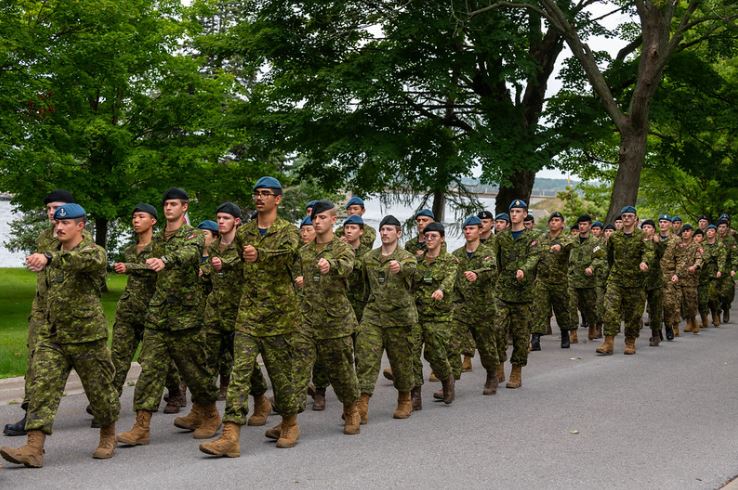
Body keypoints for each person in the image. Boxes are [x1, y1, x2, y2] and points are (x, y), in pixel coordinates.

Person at [1, 203, 119, 468]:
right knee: (42, 387)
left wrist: (50, 258)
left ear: (81, 225)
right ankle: (33, 447)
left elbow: (83, 261)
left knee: (100, 391)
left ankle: (108, 435)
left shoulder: (93, 252)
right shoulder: (50, 251)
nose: (60, 226)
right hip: (52, 335)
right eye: (57, 223)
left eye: (66, 223)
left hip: (87, 336)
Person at [199, 177, 302, 457]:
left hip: (279, 316)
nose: (259, 198)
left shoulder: (288, 231)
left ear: (277, 199)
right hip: (248, 314)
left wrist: (261, 253)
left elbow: (288, 253)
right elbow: (237, 258)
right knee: (239, 373)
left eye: (266, 194)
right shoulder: (244, 233)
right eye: (256, 194)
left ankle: (290, 423)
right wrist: (221, 264)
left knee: (281, 377)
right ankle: (230, 434)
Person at [117, 188, 220, 447]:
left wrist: (165, 259)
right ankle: (141, 426)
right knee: (150, 368)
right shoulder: (157, 239)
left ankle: (209, 414)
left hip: (186, 316)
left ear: (184, 207)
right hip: (159, 315)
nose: (168, 208)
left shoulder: (194, 235)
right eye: (165, 204)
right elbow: (149, 265)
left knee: (195, 370)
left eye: (173, 204)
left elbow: (189, 254)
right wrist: (131, 266)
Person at [5, 189, 74, 437]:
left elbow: (78, 260)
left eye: (56, 208)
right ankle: (31, 414)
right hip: (43, 310)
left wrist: (48, 258)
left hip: (74, 314)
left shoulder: (82, 238)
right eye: (48, 209)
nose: (52, 213)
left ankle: (103, 410)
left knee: (91, 367)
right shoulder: (44, 236)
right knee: (36, 361)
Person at [292, 200, 362, 435]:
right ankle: (288, 422)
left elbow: (347, 266)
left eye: (323, 218)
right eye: (315, 218)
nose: (318, 222)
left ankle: (352, 409)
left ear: (334, 220)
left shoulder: (343, 248)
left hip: (335, 322)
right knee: (297, 370)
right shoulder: (304, 251)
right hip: (307, 320)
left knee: (342, 371)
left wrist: (330, 264)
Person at [109, 204, 184, 417]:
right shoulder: (130, 250)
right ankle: (110, 399)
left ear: (152, 221)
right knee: (119, 356)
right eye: (134, 217)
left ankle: (176, 391)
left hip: (153, 312)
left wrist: (130, 267)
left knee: (154, 358)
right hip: (129, 311)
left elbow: (156, 270)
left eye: (141, 216)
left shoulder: (160, 248)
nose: (135, 220)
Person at [201, 202, 272, 422]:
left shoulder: (245, 248)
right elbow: (208, 270)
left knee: (243, 363)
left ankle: (260, 400)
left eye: (226, 218)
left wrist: (224, 264)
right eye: (219, 218)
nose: (221, 222)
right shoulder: (213, 247)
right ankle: (203, 411)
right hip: (214, 310)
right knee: (205, 360)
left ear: (236, 222)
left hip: (239, 311)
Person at [354, 215, 418, 423]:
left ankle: (405, 398)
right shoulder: (369, 258)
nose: (385, 233)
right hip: (373, 315)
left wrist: (399, 268)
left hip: (399, 317)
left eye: (390, 230)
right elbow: (365, 287)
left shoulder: (407, 257)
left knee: (401, 362)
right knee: (366, 358)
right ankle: (361, 405)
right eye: (382, 229)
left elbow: (410, 269)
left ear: (398, 233)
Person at [449, 216, 501, 395]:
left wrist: (476, 274)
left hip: (482, 308)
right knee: (452, 344)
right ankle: (449, 383)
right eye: (466, 229)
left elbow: (491, 269)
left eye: (471, 229)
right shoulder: (457, 255)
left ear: (480, 230)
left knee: (486, 346)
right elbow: (450, 278)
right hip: (461, 308)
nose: (468, 232)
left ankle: (492, 375)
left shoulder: (487, 252)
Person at [492, 199, 539, 389]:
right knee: (497, 329)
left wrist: (524, 270)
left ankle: (516, 370)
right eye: (512, 211)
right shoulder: (501, 238)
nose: (514, 214)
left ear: (525, 214)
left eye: (518, 211)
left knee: (521, 335)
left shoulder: (533, 237)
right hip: (503, 291)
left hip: (523, 294)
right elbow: (496, 262)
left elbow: (534, 257)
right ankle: (499, 365)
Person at [410, 222, 457, 405]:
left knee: (435, 354)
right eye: (427, 236)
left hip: (439, 316)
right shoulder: (418, 262)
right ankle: (415, 395)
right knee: (412, 353)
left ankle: (447, 380)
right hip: (418, 315)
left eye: (434, 236)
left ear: (442, 239)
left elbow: (450, 279)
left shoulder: (450, 261)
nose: (429, 239)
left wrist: (441, 290)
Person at [596, 206, 654, 355]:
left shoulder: (643, 236)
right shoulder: (614, 237)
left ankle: (630, 341)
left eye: (630, 216)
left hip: (635, 281)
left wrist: (644, 262)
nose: (627, 218)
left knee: (633, 314)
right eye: (624, 216)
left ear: (635, 219)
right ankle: (608, 342)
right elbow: (609, 256)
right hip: (616, 279)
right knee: (609, 309)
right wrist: (612, 271)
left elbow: (649, 252)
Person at [531, 212, 576, 350]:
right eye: (551, 220)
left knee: (561, 310)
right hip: (542, 280)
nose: (553, 223)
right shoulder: (541, 238)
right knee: (539, 309)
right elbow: (534, 253)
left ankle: (564, 334)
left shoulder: (566, 238)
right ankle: (535, 339)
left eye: (557, 220)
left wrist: (560, 246)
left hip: (559, 281)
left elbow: (572, 242)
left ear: (562, 224)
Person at [569, 215, 605, 341]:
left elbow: (600, 258)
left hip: (588, 280)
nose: (581, 226)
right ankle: (573, 331)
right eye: (580, 224)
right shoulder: (572, 240)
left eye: (584, 224)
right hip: (573, 278)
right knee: (571, 305)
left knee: (590, 307)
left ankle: (592, 326)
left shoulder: (596, 242)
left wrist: (592, 267)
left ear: (589, 225)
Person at [662, 224, 703, 335]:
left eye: (688, 231)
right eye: (683, 231)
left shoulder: (696, 246)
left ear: (692, 232)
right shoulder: (677, 243)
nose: (685, 233)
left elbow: (700, 259)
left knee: (690, 304)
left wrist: (695, 266)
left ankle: (692, 320)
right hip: (676, 278)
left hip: (690, 279)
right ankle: (675, 326)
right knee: (676, 304)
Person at [640, 220, 666, 346]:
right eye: (644, 227)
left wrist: (658, 243)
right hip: (640, 281)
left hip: (655, 281)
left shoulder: (657, 243)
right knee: (637, 309)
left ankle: (656, 333)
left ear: (653, 230)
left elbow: (662, 254)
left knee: (655, 310)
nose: (646, 229)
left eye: (649, 227)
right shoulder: (638, 243)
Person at [697, 224, 726, 328]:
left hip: (714, 274)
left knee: (712, 295)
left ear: (715, 233)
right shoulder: (702, 245)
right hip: (703, 275)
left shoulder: (720, 245)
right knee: (702, 298)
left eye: (712, 230)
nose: (709, 232)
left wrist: (720, 270)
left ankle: (715, 315)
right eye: (708, 230)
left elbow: (722, 259)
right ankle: (704, 319)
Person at [717, 218, 737, 323]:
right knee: (715, 293)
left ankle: (726, 308)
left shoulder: (731, 240)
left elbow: (734, 256)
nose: (721, 229)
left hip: (727, 269)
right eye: (719, 227)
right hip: (715, 270)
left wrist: (734, 269)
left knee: (726, 293)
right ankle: (717, 312)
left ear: (727, 228)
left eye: (723, 227)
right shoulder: (713, 238)